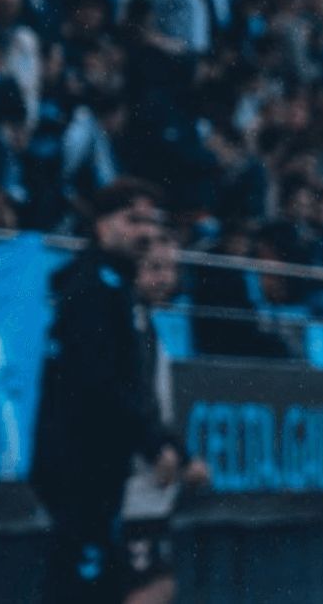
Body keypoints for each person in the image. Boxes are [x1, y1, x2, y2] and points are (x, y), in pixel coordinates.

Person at [31, 179, 184, 604]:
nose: (146, 233)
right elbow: (103, 384)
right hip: (82, 465)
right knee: (80, 581)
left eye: (151, 222)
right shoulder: (95, 288)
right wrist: (154, 445)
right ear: (102, 224)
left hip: (98, 466)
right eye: (134, 220)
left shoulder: (115, 290)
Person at [118, 234, 209, 604]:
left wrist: (181, 456)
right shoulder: (125, 325)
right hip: (128, 488)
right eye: (155, 267)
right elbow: (131, 402)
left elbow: (154, 407)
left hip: (149, 488)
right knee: (148, 589)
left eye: (171, 268)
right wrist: (161, 451)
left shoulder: (147, 325)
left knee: (158, 586)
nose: (165, 278)